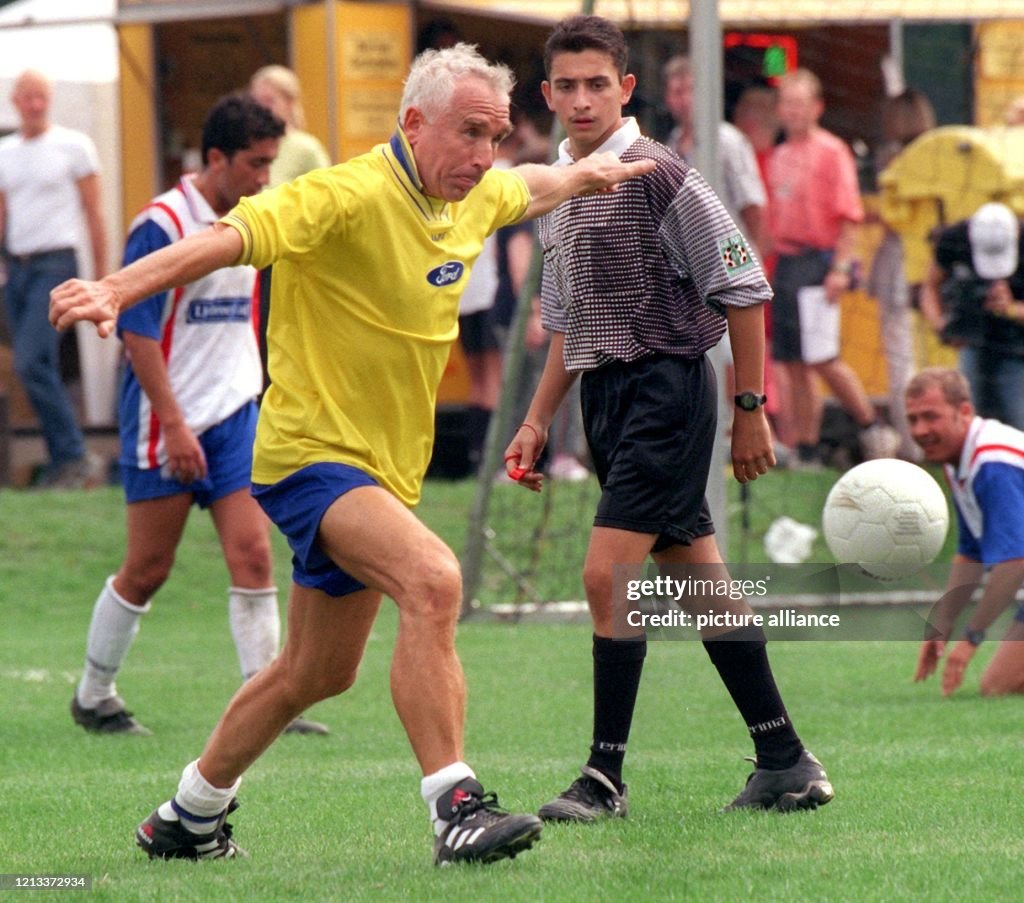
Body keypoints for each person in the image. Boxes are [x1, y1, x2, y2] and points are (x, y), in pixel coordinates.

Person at [50, 43, 653, 865]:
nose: (482, 155)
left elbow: (531, 187)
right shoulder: (344, 193)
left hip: (380, 474)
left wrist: (589, 175)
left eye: (496, 135)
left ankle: (186, 816)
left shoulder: (474, 192)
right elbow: (228, 238)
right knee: (434, 579)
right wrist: (117, 289)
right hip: (308, 457)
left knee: (314, 672)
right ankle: (457, 805)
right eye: (468, 133)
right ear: (412, 122)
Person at [505, 15, 832, 821]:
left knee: (603, 575)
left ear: (625, 89)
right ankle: (786, 760)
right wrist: (539, 419)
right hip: (607, 400)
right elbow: (568, 323)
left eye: (596, 85)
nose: (581, 101)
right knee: (703, 588)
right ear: (548, 97)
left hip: (668, 390)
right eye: (566, 87)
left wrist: (751, 409)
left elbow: (745, 287)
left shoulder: (660, 173)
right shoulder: (556, 185)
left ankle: (602, 778)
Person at [69, 95, 327, 737]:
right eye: (255, 163)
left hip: (236, 415)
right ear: (216, 158)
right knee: (148, 568)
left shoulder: (254, 219)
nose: (264, 178)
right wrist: (176, 423)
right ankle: (94, 694)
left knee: (254, 557)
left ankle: (266, 701)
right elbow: (137, 332)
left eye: (271, 163)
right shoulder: (161, 224)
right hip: (168, 420)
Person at [767, 68, 900, 468]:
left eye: (800, 103)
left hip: (820, 261)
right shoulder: (779, 155)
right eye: (786, 103)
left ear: (817, 107)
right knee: (790, 360)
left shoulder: (831, 151)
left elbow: (849, 217)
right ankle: (804, 444)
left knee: (822, 356)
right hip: (787, 262)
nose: (792, 112)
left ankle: (870, 424)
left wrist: (841, 268)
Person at [0, 69, 108, 488]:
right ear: (16, 100)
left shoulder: (74, 146)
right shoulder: (6, 152)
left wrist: (102, 276)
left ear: (51, 99)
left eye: (42, 97)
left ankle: (74, 455)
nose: (35, 105)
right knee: (36, 366)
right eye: (28, 97)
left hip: (57, 264)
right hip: (18, 266)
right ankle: (67, 460)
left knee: (31, 360)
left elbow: (93, 212)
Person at [907, 367, 1024, 696]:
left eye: (931, 417)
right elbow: (971, 551)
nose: (920, 430)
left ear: (964, 412)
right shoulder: (956, 459)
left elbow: (1015, 563)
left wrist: (971, 637)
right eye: (913, 419)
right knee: (999, 685)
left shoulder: (992, 462)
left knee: (1001, 684)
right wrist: (943, 623)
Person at [248, 65, 331, 387]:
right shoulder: (251, 145)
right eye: (256, 102)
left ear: (289, 104)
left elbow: (325, 200)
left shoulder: (304, 148)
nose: (262, 109)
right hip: (251, 253)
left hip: (284, 256)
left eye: (269, 101)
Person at [869, 88, 936, 459]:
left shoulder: (893, 159)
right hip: (932, 263)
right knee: (925, 356)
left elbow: (892, 218)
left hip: (902, 264)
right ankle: (929, 438)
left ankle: (914, 444)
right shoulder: (939, 155)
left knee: (901, 360)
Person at [918, 202, 1024, 431]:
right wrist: (942, 325)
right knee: (969, 425)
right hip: (973, 340)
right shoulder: (954, 241)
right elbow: (929, 288)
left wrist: (1012, 308)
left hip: (1018, 346)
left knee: (1018, 421)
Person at [662, 55, 767, 258]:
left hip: (730, 245)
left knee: (735, 289)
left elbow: (752, 206)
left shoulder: (728, 140)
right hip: (691, 256)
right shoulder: (672, 143)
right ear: (668, 98)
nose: (684, 100)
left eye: (690, 91)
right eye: (677, 92)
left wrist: (755, 257)